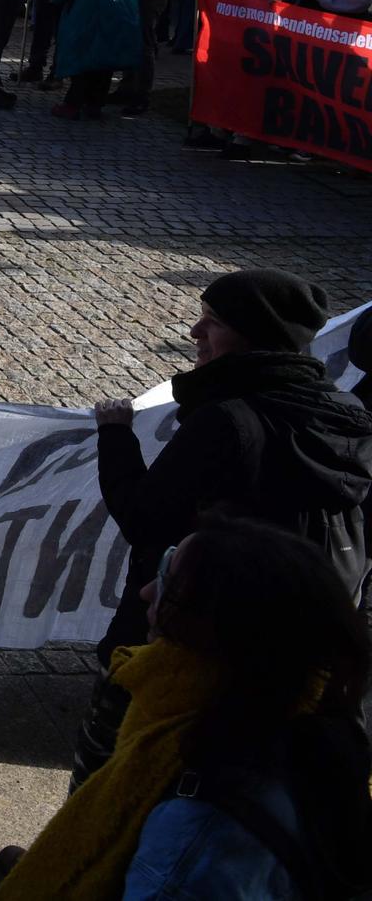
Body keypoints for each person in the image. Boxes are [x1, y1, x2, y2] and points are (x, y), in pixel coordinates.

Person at [64, 270, 372, 798]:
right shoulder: (346, 415)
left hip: (186, 635)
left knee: (113, 764)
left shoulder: (226, 421)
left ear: (256, 334)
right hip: (273, 643)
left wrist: (115, 435)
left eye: (215, 321)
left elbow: (144, 517)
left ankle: (69, 871)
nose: (194, 331)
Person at [1, 517, 372, 900]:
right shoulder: (316, 731)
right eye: (168, 559)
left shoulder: (199, 830)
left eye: (169, 581)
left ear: (214, 630)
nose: (147, 591)